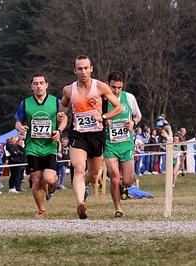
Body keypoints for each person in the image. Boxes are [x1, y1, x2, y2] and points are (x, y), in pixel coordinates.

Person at [57, 55, 122, 219]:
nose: (83, 71)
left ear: (91, 68)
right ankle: (81, 205)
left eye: (86, 68)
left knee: (93, 174)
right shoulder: (68, 89)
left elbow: (119, 108)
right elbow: (64, 105)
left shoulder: (100, 87)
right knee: (78, 168)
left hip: (97, 135)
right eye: (80, 68)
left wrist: (104, 117)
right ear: (75, 70)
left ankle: (80, 187)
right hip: (78, 134)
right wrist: (62, 114)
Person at [15, 73, 67, 218]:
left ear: (46, 85)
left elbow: (64, 119)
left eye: (41, 83)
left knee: (49, 178)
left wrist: (59, 130)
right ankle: (41, 209)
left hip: (50, 145)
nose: (39, 86)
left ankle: (52, 186)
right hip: (33, 146)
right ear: (31, 86)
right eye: (35, 83)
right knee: (36, 180)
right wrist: (20, 128)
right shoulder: (25, 103)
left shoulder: (56, 102)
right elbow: (18, 121)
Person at [102, 71, 142, 218]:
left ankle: (124, 187)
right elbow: (96, 120)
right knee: (113, 177)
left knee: (128, 181)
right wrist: (104, 121)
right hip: (110, 144)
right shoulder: (103, 100)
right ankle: (118, 208)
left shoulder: (129, 98)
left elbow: (138, 115)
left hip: (126, 144)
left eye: (119, 87)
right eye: (113, 87)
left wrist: (133, 122)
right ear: (108, 84)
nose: (116, 90)